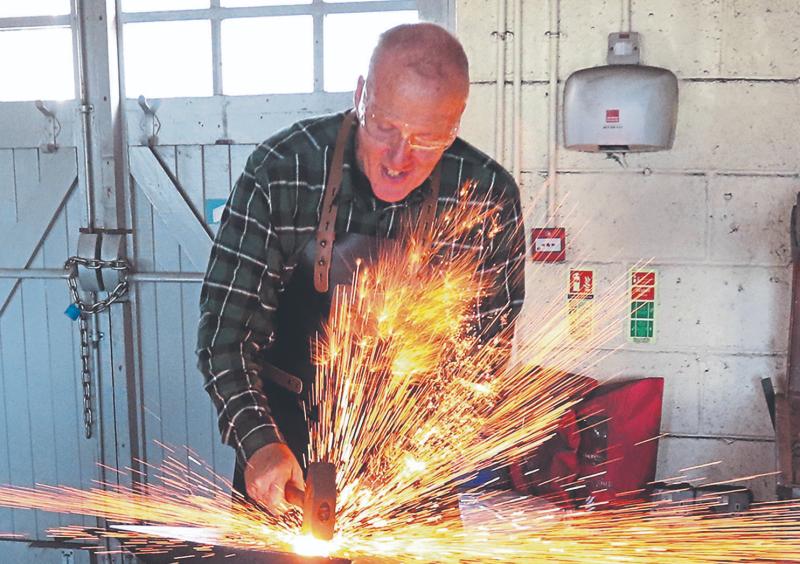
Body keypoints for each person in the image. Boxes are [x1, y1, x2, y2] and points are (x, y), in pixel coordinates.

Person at [197, 22, 525, 515]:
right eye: (385, 127)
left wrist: (416, 464)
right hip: (283, 451)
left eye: (427, 139)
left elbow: (479, 361)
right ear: (360, 96)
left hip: (413, 469)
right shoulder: (283, 170)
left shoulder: (486, 197)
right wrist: (258, 441)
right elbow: (226, 335)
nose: (399, 159)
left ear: (455, 124)